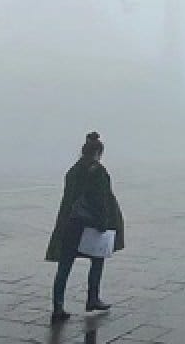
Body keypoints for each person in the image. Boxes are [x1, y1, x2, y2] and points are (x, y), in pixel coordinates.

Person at [45, 132, 125, 322]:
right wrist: (104, 223)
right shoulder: (98, 171)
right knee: (97, 260)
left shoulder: (73, 171)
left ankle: (58, 306)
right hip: (89, 225)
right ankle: (92, 298)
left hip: (70, 224)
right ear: (98, 152)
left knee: (65, 266)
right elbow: (101, 200)